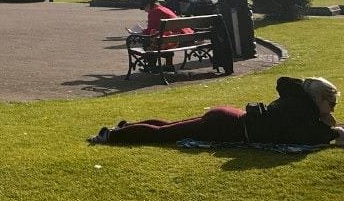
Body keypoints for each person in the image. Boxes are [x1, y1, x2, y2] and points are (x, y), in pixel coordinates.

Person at [91, 77, 344, 146]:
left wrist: (325, 118)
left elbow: (285, 82)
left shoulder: (297, 100)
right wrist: (332, 128)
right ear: (319, 98)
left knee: (169, 127)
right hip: (227, 126)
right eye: (331, 103)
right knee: (163, 134)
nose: (332, 109)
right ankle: (111, 136)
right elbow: (310, 136)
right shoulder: (303, 110)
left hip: (228, 117)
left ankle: (126, 126)